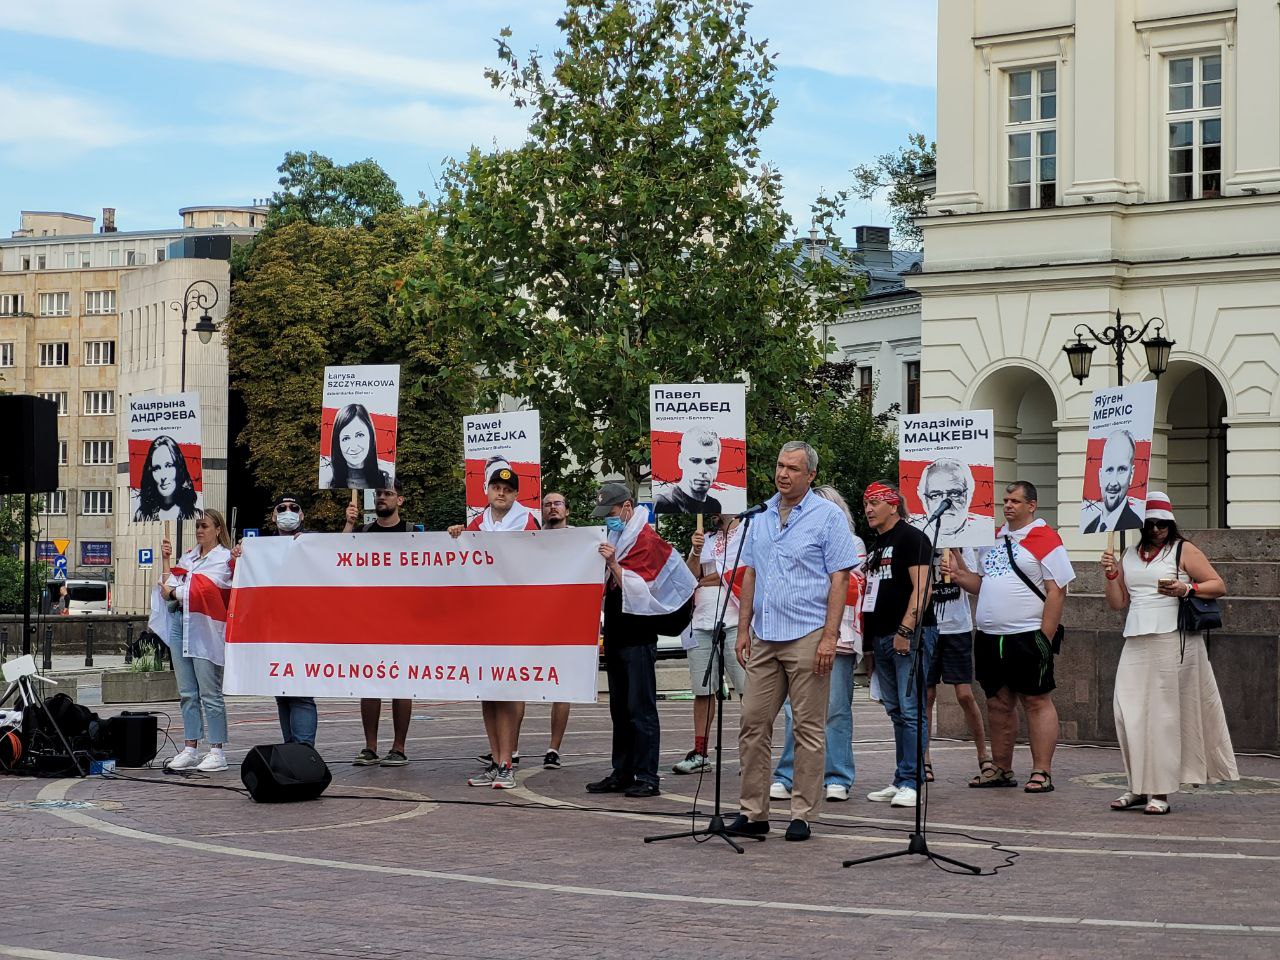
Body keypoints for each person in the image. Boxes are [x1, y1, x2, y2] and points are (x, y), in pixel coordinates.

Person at [728, 441, 858, 842]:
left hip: (807, 633)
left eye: (793, 469)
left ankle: (803, 812)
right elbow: (750, 572)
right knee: (752, 722)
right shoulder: (761, 514)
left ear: (811, 475)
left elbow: (840, 578)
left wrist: (830, 637)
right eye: (780, 466)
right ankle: (754, 813)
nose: (783, 474)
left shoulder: (828, 517)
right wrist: (743, 627)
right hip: (765, 635)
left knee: (808, 728)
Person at [1100, 492, 1237, 815]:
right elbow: (1118, 602)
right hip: (1136, 635)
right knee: (1127, 711)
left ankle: (1159, 791)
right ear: (1142, 525)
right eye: (1151, 524)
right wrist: (1110, 575)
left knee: (1162, 716)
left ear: (1171, 523)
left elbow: (1218, 584)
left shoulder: (1183, 550)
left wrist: (1186, 588)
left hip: (1172, 636)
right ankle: (1138, 784)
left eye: (1163, 523)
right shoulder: (1129, 554)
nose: (1158, 529)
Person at [944, 480, 1075, 794]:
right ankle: (1002, 769)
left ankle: (1042, 770)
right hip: (990, 637)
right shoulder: (993, 538)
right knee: (997, 702)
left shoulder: (1045, 538)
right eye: (1006, 500)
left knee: (1036, 701)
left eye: (1015, 501)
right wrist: (960, 572)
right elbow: (981, 584)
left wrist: (1045, 636)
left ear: (1031, 505)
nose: (1008, 505)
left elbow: (1057, 590)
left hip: (1027, 635)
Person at [587, 482, 697, 799]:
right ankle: (622, 771)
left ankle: (647, 775)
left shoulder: (646, 540)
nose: (609, 520)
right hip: (618, 634)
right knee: (620, 709)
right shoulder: (615, 538)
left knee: (641, 709)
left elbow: (641, 591)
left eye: (611, 513)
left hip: (639, 637)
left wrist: (613, 565)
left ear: (627, 508)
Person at [770, 485, 867, 802]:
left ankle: (837, 776)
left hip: (838, 637)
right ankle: (787, 774)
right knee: (791, 710)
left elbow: (851, 587)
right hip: (796, 634)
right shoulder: (790, 539)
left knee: (836, 709)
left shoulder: (853, 544)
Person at [449, 468, 538, 789]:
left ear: (516, 495)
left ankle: (507, 762)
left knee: (509, 689)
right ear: (488, 491)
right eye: (496, 487)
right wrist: (455, 537)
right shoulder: (477, 524)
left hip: (514, 617)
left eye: (508, 489)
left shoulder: (528, 522)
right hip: (483, 618)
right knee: (488, 690)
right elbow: (459, 559)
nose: (501, 493)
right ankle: (495, 758)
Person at [861, 480, 936, 809]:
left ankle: (912, 779)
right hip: (882, 637)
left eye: (875, 502)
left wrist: (906, 630)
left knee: (911, 710)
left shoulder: (912, 537)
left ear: (894, 504)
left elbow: (923, 588)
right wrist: (870, 644)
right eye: (865, 503)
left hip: (908, 635)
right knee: (895, 712)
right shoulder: (877, 544)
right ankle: (901, 776)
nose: (868, 508)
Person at [233, 493, 318, 747]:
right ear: (274, 515)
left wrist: (347, 525)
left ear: (302, 515)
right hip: (274, 631)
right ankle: (292, 749)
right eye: (282, 508)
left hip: (304, 630)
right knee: (282, 694)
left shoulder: (312, 543)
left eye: (294, 507)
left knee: (301, 693)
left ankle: (303, 751)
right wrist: (239, 555)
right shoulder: (261, 549)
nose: (288, 511)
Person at [154, 509, 233, 772]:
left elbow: (209, 590)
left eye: (205, 526)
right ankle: (190, 747)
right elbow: (167, 591)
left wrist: (177, 591)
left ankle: (217, 750)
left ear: (218, 529)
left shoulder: (223, 559)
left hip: (205, 628)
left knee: (210, 692)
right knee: (187, 692)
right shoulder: (187, 556)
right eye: (198, 526)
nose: (199, 530)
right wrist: (166, 561)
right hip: (180, 624)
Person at [672, 512, 748, 775]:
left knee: (746, 691)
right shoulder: (704, 537)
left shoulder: (748, 534)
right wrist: (694, 553)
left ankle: (750, 753)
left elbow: (740, 574)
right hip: (702, 622)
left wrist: (707, 579)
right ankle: (700, 752)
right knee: (702, 691)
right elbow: (688, 578)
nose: (713, 513)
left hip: (737, 621)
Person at [343, 480, 412, 767]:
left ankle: (399, 747)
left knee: (403, 683)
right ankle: (370, 746)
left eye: (388, 494)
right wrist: (348, 525)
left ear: (401, 500)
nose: (382, 498)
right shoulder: (362, 532)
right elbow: (337, 558)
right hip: (370, 619)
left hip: (404, 619)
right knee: (369, 681)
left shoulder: (413, 533)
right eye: (378, 494)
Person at [924, 546, 991, 786]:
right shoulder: (926, 537)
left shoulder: (965, 544)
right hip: (929, 626)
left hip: (957, 627)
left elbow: (971, 580)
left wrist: (955, 552)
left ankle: (983, 753)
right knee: (927, 695)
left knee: (964, 694)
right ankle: (925, 758)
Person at [540, 491, 573, 769]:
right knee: (518, 687)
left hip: (565, 621)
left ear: (567, 510)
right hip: (534, 621)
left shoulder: (582, 539)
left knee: (560, 687)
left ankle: (554, 748)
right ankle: (510, 749)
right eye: (548, 504)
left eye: (557, 504)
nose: (552, 508)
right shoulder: (530, 539)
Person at [321, 403, 393, 490]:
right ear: (338, 443)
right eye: (346, 438)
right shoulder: (328, 484)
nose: (353, 447)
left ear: (370, 436)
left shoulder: (387, 481)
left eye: (359, 435)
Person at [1083, 430, 1142, 533]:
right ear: (1100, 475)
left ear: (1131, 474)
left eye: (1121, 469)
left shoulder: (1135, 524)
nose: (1113, 482)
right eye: (1109, 469)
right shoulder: (1090, 528)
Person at [655, 428, 724, 515]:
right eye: (695, 460)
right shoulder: (663, 502)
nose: (703, 470)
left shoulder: (714, 505)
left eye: (711, 461)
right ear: (681, 461)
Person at [132, 435, 199, 521]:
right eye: (156, 468)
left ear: (179, 469)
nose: (163, 476)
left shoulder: (196, 516)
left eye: (169, 466)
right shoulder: (141, 516)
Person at [916, 458, 985, 540]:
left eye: (954, 493)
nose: (945, 503)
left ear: (969, 495)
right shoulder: (916, 537)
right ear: (924, 499)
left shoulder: (983, 533)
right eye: (936, 495)